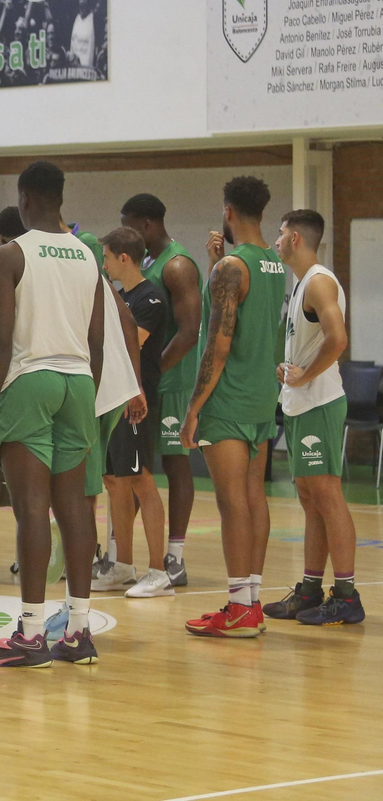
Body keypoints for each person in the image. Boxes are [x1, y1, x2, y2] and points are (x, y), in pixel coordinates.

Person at [0, 162, 105, 668]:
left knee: (31, 509)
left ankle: (29, 633)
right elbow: (96, 338)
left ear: (25, 198)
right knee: (75, 510)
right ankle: (78, 631)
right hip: (79, 380)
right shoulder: (87, 254)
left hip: (32, 379)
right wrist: (87, 394)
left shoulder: (11, 255)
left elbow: (0, 339)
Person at [180, 176, 284, 639]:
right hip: (263, 397)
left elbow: (218, 348)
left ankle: (240, 611)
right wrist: (215, 265)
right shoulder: (274, 264)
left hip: (229, 400)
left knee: (232, 503)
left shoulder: (231, 270)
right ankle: (250, 604)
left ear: (228, 211)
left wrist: (193, 407)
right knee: (254, 497)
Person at [267, 209, 364, 625]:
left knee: (327, 496)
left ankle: (346, 596)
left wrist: (306, 373)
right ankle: (309, 588)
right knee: (309, 500)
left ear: (296, 239)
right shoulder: (303, 283)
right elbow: (309, 344)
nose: (276, 239)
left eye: (281, 233)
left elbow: (338, 339)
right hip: (301, 403)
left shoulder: (320, 281)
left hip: (320, 402)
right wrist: (291, 367)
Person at [119, 194, 205, 589]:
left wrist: (152, 371)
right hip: (147, 381)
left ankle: (175, 556)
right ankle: (122, 556)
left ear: (148, 225)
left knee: (175, 464)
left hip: (170, 382)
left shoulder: (178, 265)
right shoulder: (150, 263)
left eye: (131, 225)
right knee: (138, 468)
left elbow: (189, 332)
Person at [93, 229, 170, 597]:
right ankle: (122, 564)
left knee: (141, 479)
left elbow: (128, 344)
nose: (104, 265)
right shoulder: (121, 296)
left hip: (136, 402)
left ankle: (160, 570)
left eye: (106, 258)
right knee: (114, 480)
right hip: (112, 399)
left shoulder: (150, 297)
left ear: (124, 258)